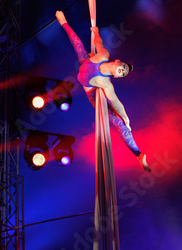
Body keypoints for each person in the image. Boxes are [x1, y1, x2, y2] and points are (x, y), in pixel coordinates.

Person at [56, 11, 151, 172]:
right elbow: (98, 42)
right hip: (87, 61)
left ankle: (138, 154)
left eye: (122, 74)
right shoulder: (103, 54)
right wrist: (96, 32)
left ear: (116, 76)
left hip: (92, 92)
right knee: (77, 44)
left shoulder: (106, 84)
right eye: (122, 68)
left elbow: (116, 102)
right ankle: (64, 22)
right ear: (117, 61)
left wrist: (126, 118)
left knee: (116, 121)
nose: (121, 71)